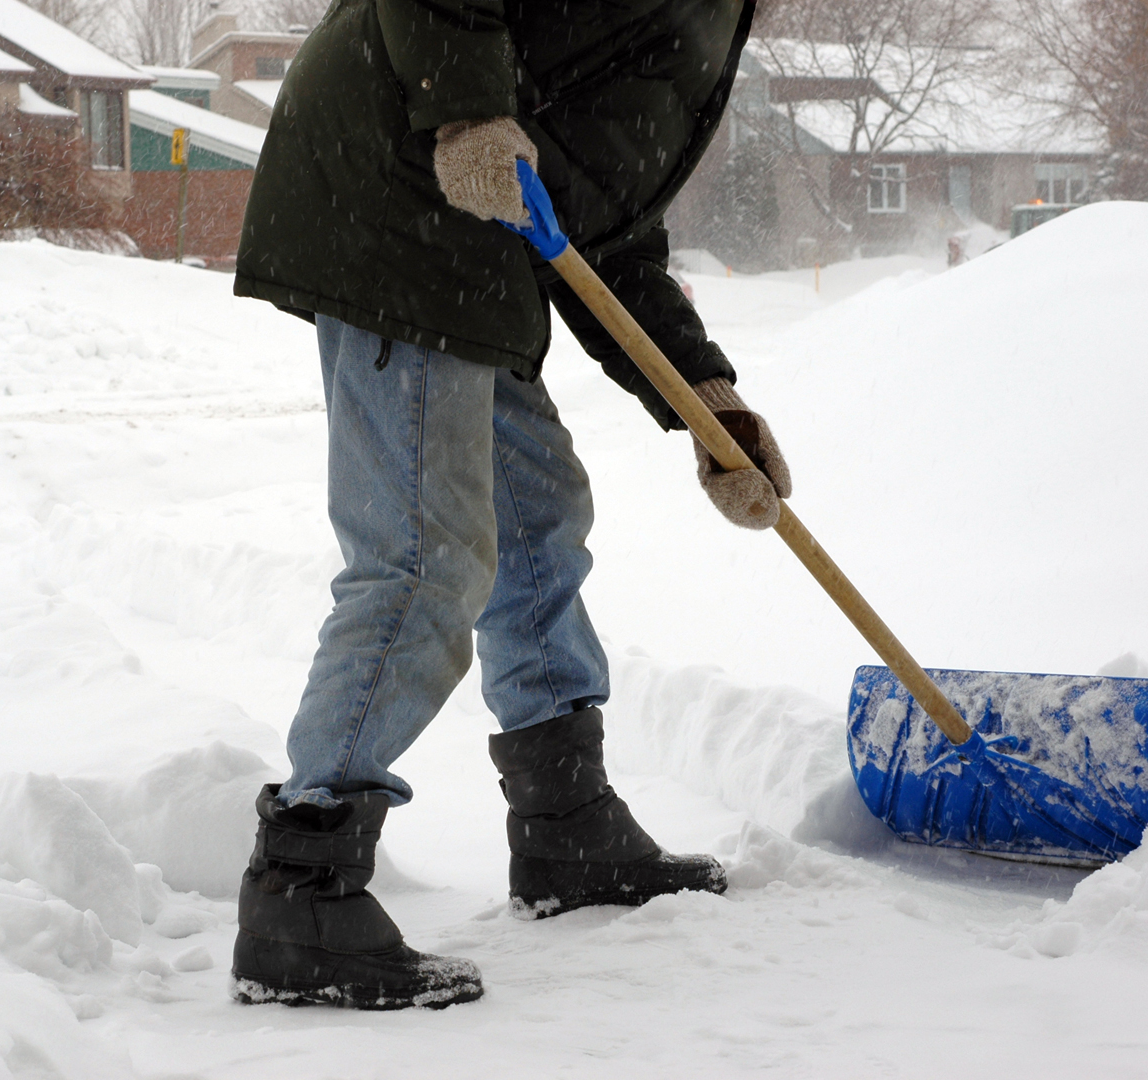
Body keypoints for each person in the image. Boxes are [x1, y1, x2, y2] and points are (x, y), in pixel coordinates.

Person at [229, 0, 790, 1010]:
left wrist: (704, 398)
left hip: (474, 220)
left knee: (536, 514)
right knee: (421, 552)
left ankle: (565, 824)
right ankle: (303, 884)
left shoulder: (709, 18)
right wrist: (464, 111)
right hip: (398, 182)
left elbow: (598, 224)